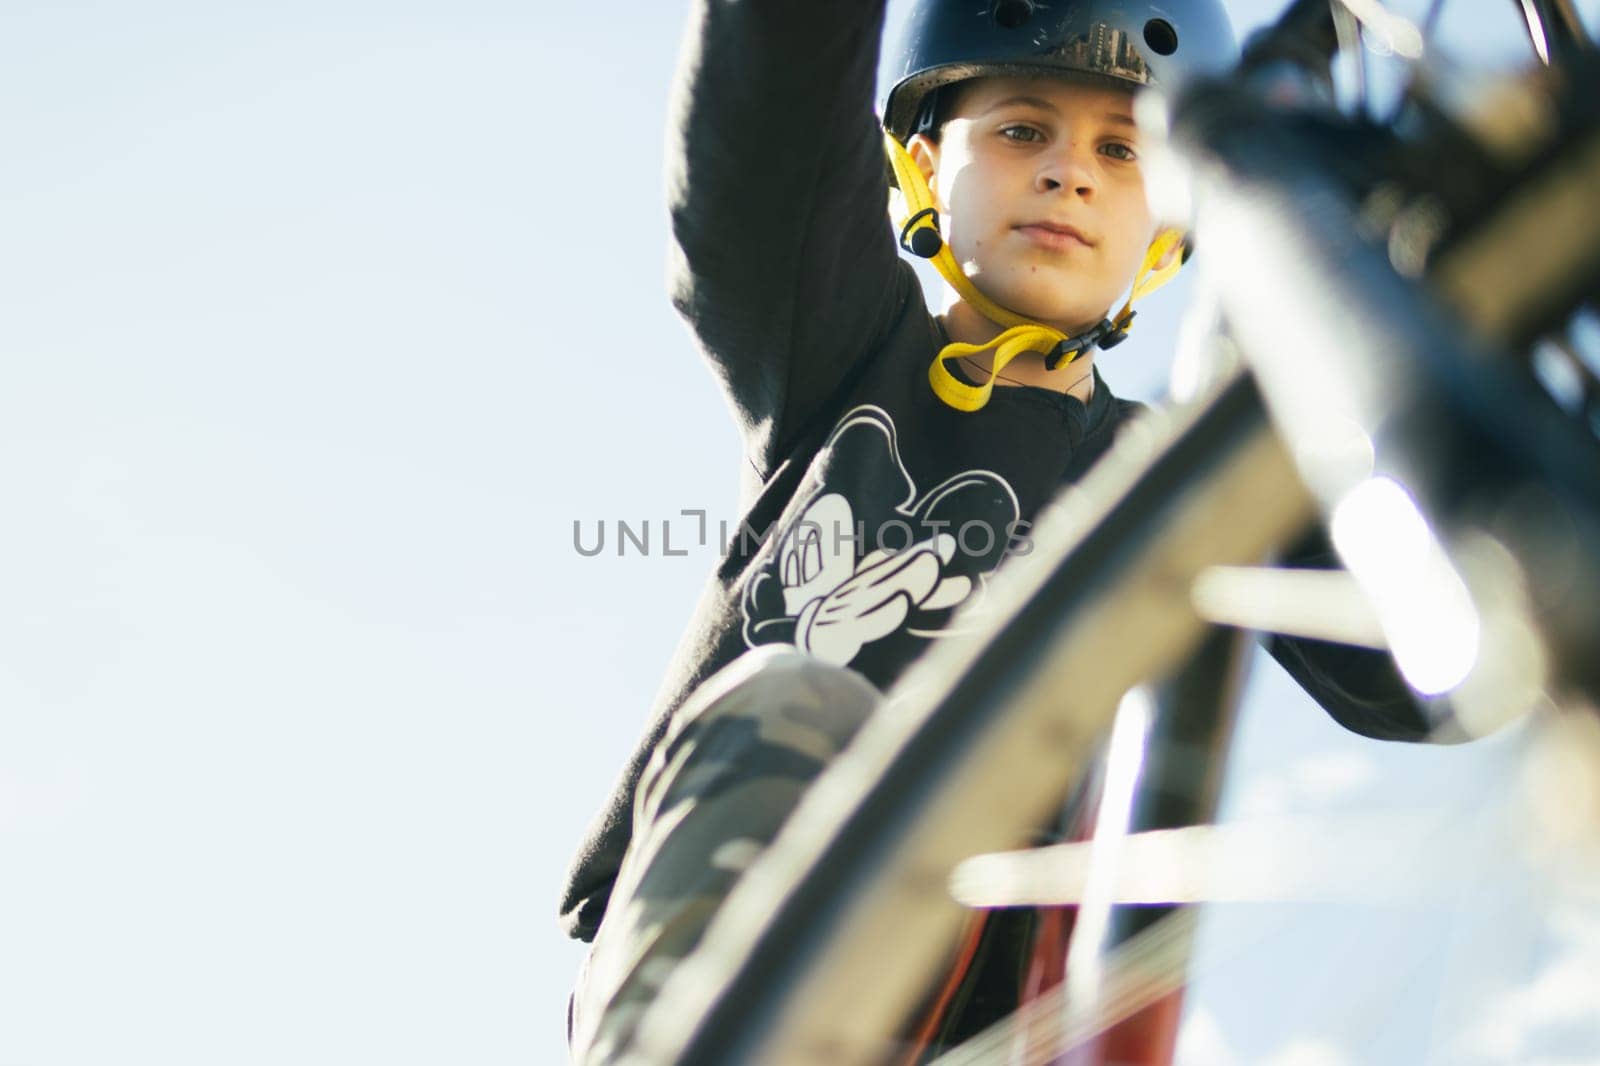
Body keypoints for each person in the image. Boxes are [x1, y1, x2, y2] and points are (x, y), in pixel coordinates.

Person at [559, 0, 1436, 1060]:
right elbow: (761, 136)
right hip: (748, 956)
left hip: (1002, 1007)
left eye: (1123, 150)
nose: (1071, 173)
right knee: (795, 693)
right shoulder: (838, 349)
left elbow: (1414, 654)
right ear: (925, 166)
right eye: (1023, 129)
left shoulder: (1181, 484)